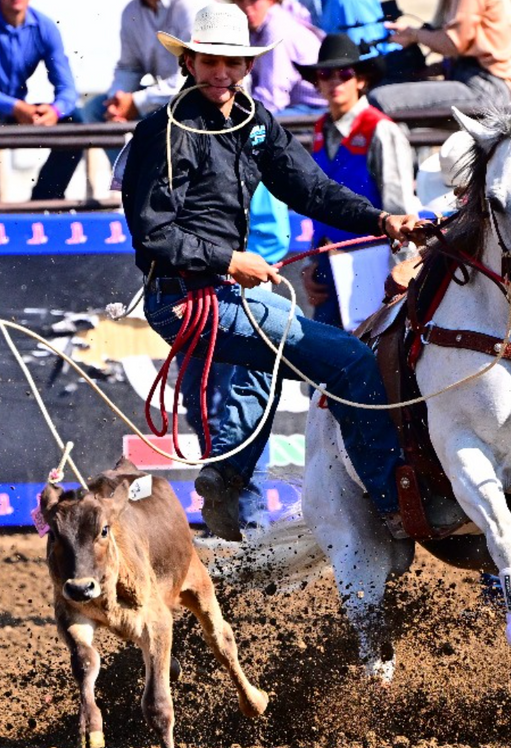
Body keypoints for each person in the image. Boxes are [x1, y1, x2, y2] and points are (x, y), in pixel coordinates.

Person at [121, 3, 422, 541]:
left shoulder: (253, 123)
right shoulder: (163, 132)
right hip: (186, 299)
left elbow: (310, 188)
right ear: (189, 62)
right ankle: (394, 504)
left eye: (233, 63)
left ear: (247, 66)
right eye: (211, 61)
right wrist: (229, 259)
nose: (222, 73)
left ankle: (228, 477)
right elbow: (153, 233)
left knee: (264, 367)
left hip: (218, 296)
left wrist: (381, 219)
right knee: (351, 360)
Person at [179, 185, 289, 531]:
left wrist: (233, 265)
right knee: (200, 403)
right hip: (199, 293)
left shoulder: (245, 156)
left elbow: (271, 234)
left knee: (238, 403)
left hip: (240, 294)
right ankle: (224, 506)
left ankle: (250, 512)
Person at [294, 34, 421, 328]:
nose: (334, 81)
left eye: (345, 74)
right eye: (325, 74)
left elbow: (399, 208)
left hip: (375, 266)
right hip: (328, 263)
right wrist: (311, 263)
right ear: (317, 82)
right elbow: (315, 203)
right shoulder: (320, 129)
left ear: (361, 80)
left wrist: (402, 273)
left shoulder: (381, 130)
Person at [0, 0, 84, 203]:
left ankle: (46, 201)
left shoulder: (45, 27)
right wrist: (15, 106)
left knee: (75, 120)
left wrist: (55, 111)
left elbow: (68, 89)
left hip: (17, 111)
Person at [79, 0, 202, 165]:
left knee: (165, 117)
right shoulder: (131, 11)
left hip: (195, 96)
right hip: (162, 97)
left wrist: (135, 102)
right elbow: (129, 67)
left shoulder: (189, 6)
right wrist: (118, 98)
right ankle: (128, 179)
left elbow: (188, 78)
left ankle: (157, 178)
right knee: (95, 110)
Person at [366, 0, 511, 115]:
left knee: (380, 99)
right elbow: (465, 54)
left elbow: (453, 43)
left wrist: (413, 34)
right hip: (475, 83)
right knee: (385, 85)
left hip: (486, 90)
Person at [235, 0, 326, 115]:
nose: (246, 7)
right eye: (239, 1)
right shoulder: (258, 26)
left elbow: (272, 99)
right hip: (297, 106)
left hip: (317, 109)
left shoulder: (277, 30)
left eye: (254, 1)